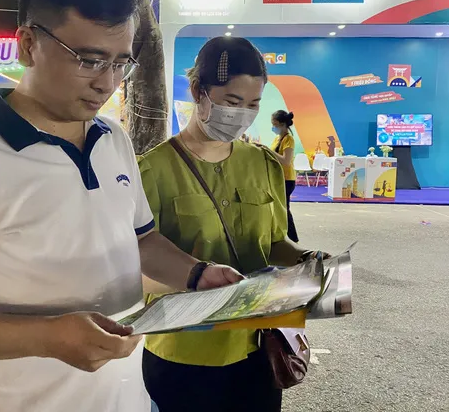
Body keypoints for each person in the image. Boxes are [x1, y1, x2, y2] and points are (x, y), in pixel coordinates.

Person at [0, 0, 241, 412]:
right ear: (28, 44)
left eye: (120, 63)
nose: (107, 83)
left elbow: (140, 240)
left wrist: (197, 274)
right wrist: (49, 336)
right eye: (89, 60)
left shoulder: (113, 139)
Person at [138, 37, 325, 412]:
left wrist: (308, 261)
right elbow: (137, 268)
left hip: (257, 347)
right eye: (232, 102)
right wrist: (197, 275)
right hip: (183, 351)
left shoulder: (264, 164)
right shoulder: (151, 170)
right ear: (198, 91)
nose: (242, 114)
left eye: (253, 104)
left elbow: (274, 243)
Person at [271, 110, 299, 242]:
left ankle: (293, 239)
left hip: (286, 179)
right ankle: (284, 236)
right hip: (277, 178)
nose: (273, 127)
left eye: (275, 124)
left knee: (284, 210)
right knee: (279, 209)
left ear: (282, 124)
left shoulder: (288, 139)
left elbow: (286, 161)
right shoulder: (277, 138)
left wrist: (268, 151)